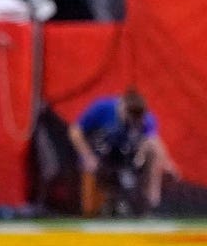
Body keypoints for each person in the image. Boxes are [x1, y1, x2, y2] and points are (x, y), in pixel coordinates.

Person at [68, 87, 179, 217]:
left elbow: (154, 142)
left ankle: (150, 204)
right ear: (121, 106)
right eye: (129, 116)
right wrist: (87, 156)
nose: (132, 121)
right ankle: (106, 203)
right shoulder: (102, 109)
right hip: (99, 155)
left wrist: (168, 164)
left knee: (152, 151)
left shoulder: (146, 119)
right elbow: (75, 131)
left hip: (126, 156)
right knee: (91, 211)